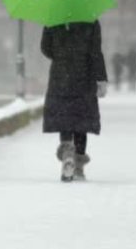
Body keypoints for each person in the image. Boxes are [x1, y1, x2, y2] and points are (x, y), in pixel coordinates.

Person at [41, 21, 108, 182]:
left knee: (65, 118)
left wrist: (61, 54)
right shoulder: (90, 20)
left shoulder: (54, 19)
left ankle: (67, 153)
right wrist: (101, 78)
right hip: (84, 76)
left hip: (60, 76)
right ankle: (78, 166)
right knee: (81, 120)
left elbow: (45, 48)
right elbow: (95, 52)